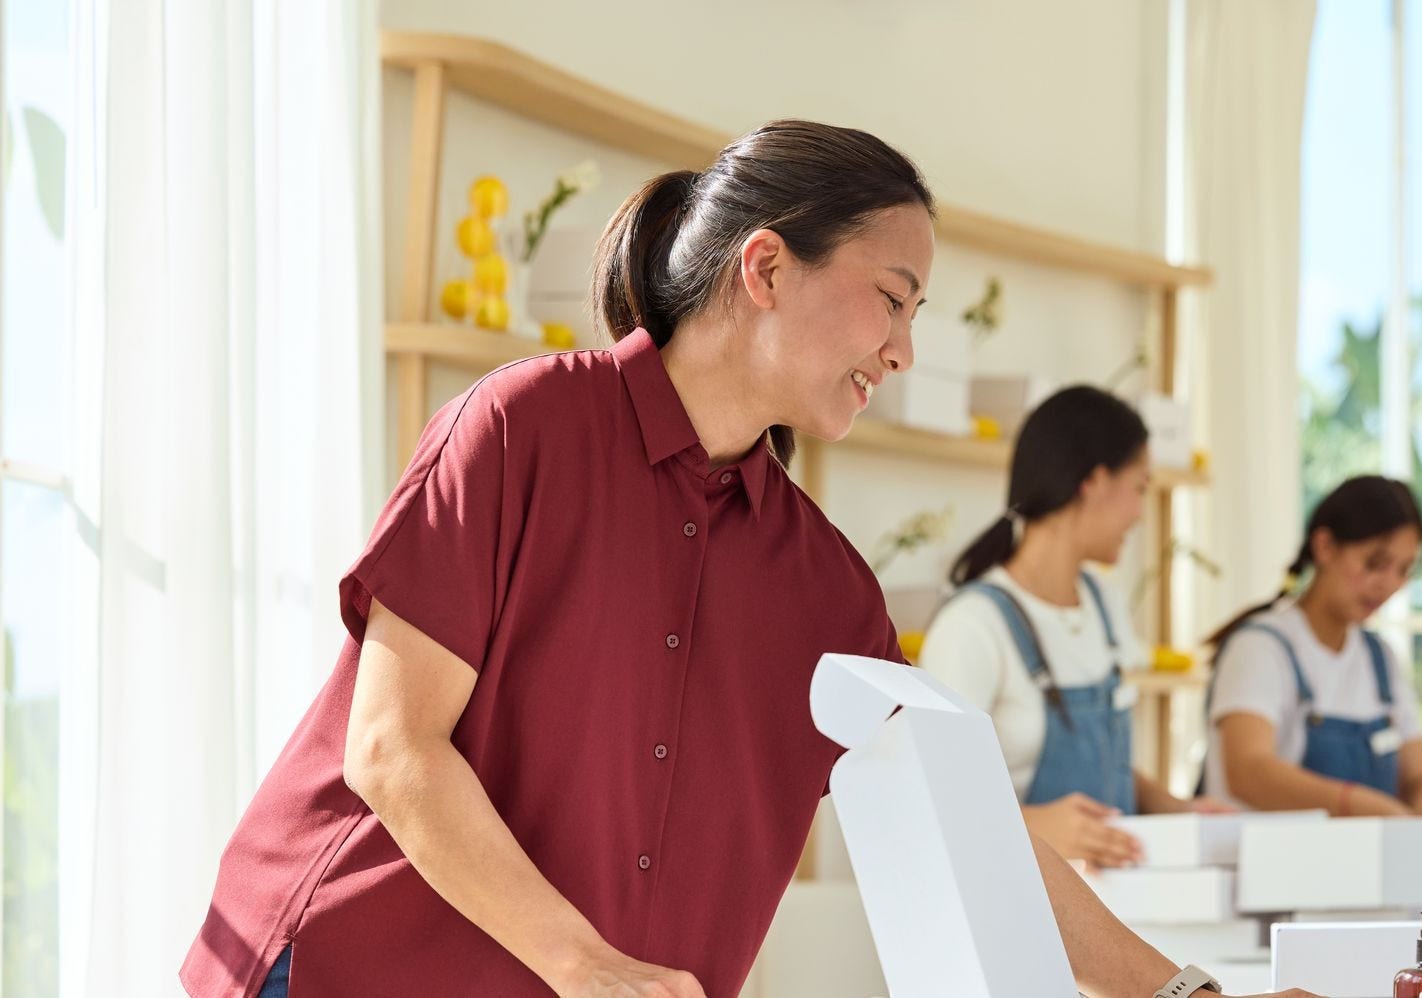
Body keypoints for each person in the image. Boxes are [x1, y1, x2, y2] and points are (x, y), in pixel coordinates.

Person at [181, 119, 1310, 998]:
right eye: (891, 298)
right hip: (346, 963)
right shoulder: (523, 426)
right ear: (764, 268)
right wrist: (585, 963)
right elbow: (391, 746)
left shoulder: (824, 587)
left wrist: (1179, 988)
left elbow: (967, 831)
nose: (902, 350)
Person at [918, 386, 1231, 869]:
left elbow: (1109, 763)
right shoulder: (973, 626)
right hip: (1018, 906)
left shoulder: (1102, 603)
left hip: (1114, 902)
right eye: (1139, 488)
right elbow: (929, 799)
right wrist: (1036, 826)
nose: (1139, 513)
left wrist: (1177, 809)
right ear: (1095, 481)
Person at [1203, 475, 1422, 817]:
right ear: (1324, 547)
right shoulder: (1260, 648)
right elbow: (1248, 772)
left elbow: (1421, 776)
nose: (1388, 584)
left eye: (1404, 570)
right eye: (1375, 564)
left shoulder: (1380, 659)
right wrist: (1359, 806)